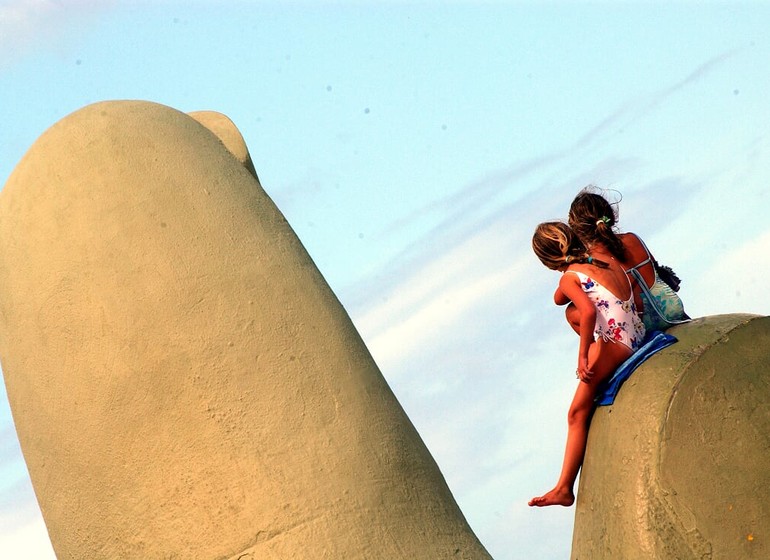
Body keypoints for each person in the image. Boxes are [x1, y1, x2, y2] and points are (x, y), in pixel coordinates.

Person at [528, 222, 645, 507]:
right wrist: (565, 281)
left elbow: (589, 310)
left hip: (616, 343)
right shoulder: (602, 259)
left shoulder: (570, 279)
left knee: (576, 413)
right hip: (636, 331)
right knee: (571, 311)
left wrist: (583, 357)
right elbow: (562, 301)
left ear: (546, 260)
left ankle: (564, 488)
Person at [567, 187, 689, 332]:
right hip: (672, 309)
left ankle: (600, 347)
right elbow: (657, 270)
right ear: (610, 215)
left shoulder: (590, 263)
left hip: (642, 323)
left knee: (572, 310)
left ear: (577, 230)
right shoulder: (633, 238)